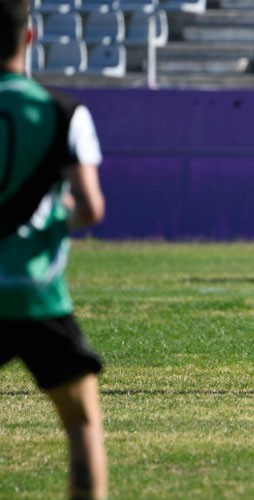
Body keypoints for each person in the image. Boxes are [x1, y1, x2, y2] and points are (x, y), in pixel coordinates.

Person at [0, 0, 108, 497]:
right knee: (81, 422)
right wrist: (51, 214)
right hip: (38, 296)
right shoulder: (64, 111)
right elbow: (89, 207)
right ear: (30, 36)